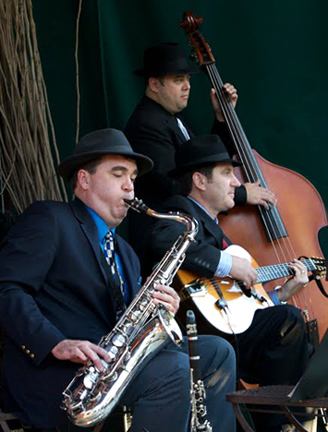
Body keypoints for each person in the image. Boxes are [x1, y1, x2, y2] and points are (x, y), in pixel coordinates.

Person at [0, 128, 236, 432]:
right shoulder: (50, 218)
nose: (130, 187)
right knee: (175, 370)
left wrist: (162, 310)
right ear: (84, 180)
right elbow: (7, 289)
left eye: (133, 178)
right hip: (61, 378)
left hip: (110, 370)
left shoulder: (125, 251)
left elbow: (127, 324)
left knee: (217, 352)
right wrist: (56, 343)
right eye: (118, 174)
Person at [147, 134, 313, 432]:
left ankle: (283, 421)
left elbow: (235, 304)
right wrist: (228, 264)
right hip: (197, 334)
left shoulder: (213, 228)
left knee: (288, 320)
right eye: (226, 173)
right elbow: (163, 239)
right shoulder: (179, 210)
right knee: (288, 322)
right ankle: (282, 425)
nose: (236, 183)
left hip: (225, 331)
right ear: (199, 180)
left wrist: (279, 295)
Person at [124, 42, 276, 263]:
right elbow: (175, 184)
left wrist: (222, 119)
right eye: (178, 80)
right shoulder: (147, 124)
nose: (187, 86)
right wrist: (240, 194)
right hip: (166, 245)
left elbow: (204, 161)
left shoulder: (169, 118)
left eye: (188, 79)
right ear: (155, 84)